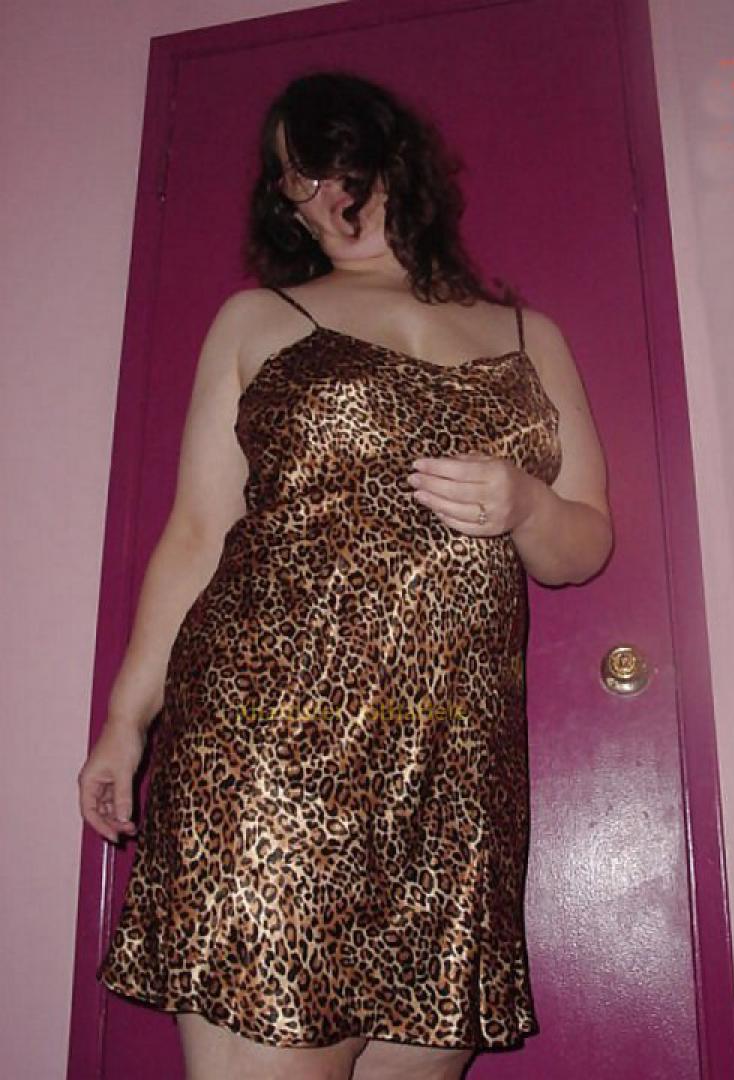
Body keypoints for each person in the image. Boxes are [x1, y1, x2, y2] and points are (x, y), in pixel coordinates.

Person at [78, 71, 612, 1080]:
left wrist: (527, 506)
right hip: (269, 749)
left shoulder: (527, 336)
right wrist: (124, 720)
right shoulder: (256, 319)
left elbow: (584, 545)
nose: (322, 194)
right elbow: (197, 532)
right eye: (295, 178)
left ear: (392, 160)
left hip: (453, 774)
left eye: (334, 162)